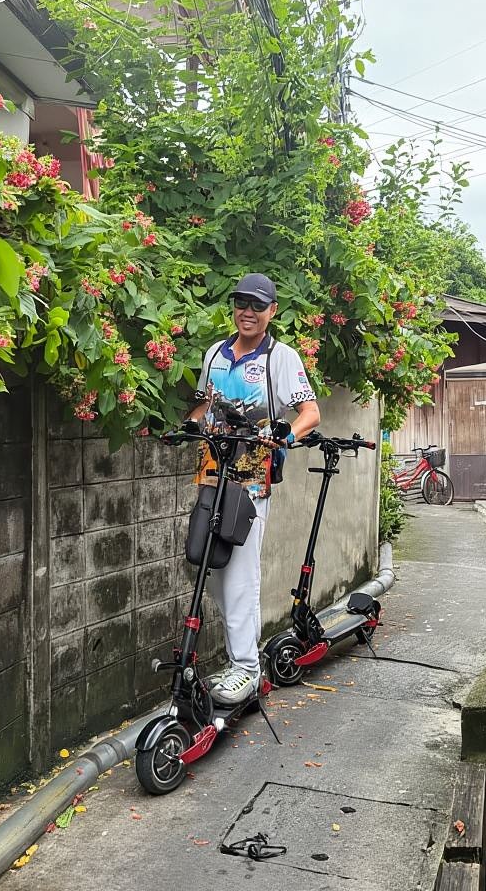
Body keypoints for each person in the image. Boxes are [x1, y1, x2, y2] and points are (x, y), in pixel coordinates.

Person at [187, 272, 320, 705]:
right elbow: (205, 405)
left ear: (271, 311)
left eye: (257, 305)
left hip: (250, 481)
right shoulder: (215, 354)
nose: (248, 311)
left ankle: (246, 667)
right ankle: (236, 659)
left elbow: (310, 413)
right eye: (242, 302)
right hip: (211, 472)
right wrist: (187, 427)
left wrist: (284, 437)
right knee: (211, 570)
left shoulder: (280, 358)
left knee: (240, 575)